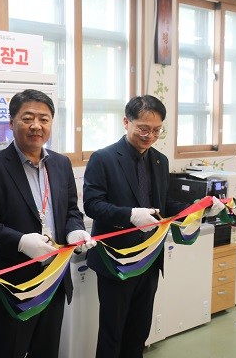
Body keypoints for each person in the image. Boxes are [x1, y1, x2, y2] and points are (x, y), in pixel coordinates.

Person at [83, 95, 224, 358]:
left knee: (139, 331)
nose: (150, 136)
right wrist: (130, 215)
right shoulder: (103, 159)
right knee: (112, 332)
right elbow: (92, 205)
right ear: (126, 122)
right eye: (143, 129)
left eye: (157, 130)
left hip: (149, 259)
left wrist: (199, 208)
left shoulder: (159, 160)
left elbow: (165, 205)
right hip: (116, 261)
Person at [0, 89, 95, 358]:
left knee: (47, 351)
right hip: (12, 286)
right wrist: (20, 242)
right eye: (27, 118)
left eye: (44, 119)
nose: (36, 125)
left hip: (54, 280)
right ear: (12, 122)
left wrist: (75, 230)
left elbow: (71, 210)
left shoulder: (60, 164)